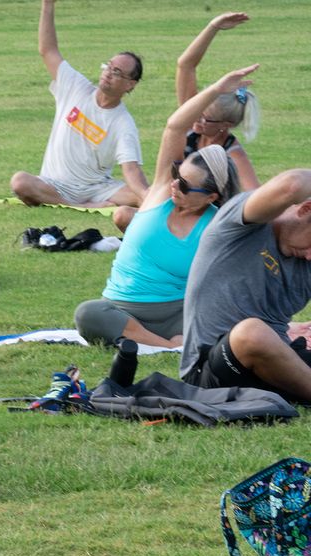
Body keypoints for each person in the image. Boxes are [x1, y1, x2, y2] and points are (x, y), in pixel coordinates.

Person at [73, 65, 255, 348]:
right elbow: (175, 126)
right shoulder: (160, 194)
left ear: (210, 197)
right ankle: (169, 345)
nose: (174, 186)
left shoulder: (216, 225)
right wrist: (217, 89)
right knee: (88, 313)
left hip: (177, 312)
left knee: (230, 323)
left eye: (185, 186)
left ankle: (164, 340)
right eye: (177, 177)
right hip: (120, 308)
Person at [111, 12, 262, 230]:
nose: (196, 120)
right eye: (198, 111)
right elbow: (185, 65)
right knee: (123, 215)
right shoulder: (192, 125)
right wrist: (213, 27)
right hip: (171, 212)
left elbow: (255, 199)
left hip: (204, 226)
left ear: (225, 125)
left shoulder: (233, 153)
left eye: (206, 119)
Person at [179, 168, 311, 404]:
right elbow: (292, 185)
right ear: (305, 209)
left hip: (278, 365)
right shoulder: (244, 224)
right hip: (212, 371)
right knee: (251, 333)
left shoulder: (304, 259)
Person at [10, 0, 148, 210]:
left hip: (97, 188)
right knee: (20, 182)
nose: (109, 73)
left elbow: (131, 170)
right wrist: (48, 5)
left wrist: (147, 196)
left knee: (150, 196)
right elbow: (47, 50)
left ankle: (89, 202)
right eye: (108, 67)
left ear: (130, 84)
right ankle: (80, 205)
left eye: (117, 72)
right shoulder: (76, 87)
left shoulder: (123, 123)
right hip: (55, 185)